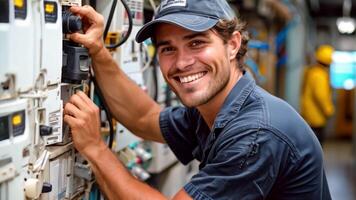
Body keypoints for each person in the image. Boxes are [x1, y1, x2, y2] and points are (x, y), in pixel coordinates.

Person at [64, 0, 332, 199]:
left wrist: (96, 149)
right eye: (168, 48)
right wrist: (97, 50)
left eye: (196, 43)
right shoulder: (216, 110)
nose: (182, 62)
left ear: (233, 45)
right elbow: (144, 118)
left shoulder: (256, 132)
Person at [301, 45, 335, 145]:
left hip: (309, 115)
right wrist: (329, 110)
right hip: (316, 117)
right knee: (317, 145)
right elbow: (320, 95)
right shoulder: (319, 75)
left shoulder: (311, 71)